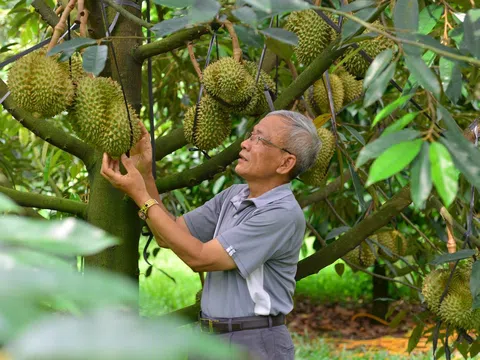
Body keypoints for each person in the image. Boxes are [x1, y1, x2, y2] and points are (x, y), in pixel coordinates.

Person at [101, 110, 321, 359]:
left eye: (260, 139)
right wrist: (145, 175)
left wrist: (141, 195)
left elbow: (201, 258)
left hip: (252, 343)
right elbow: (169, 234)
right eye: (251, 134)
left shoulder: (281, 215)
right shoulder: (234, 196)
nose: (245, 143)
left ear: (285, 163)